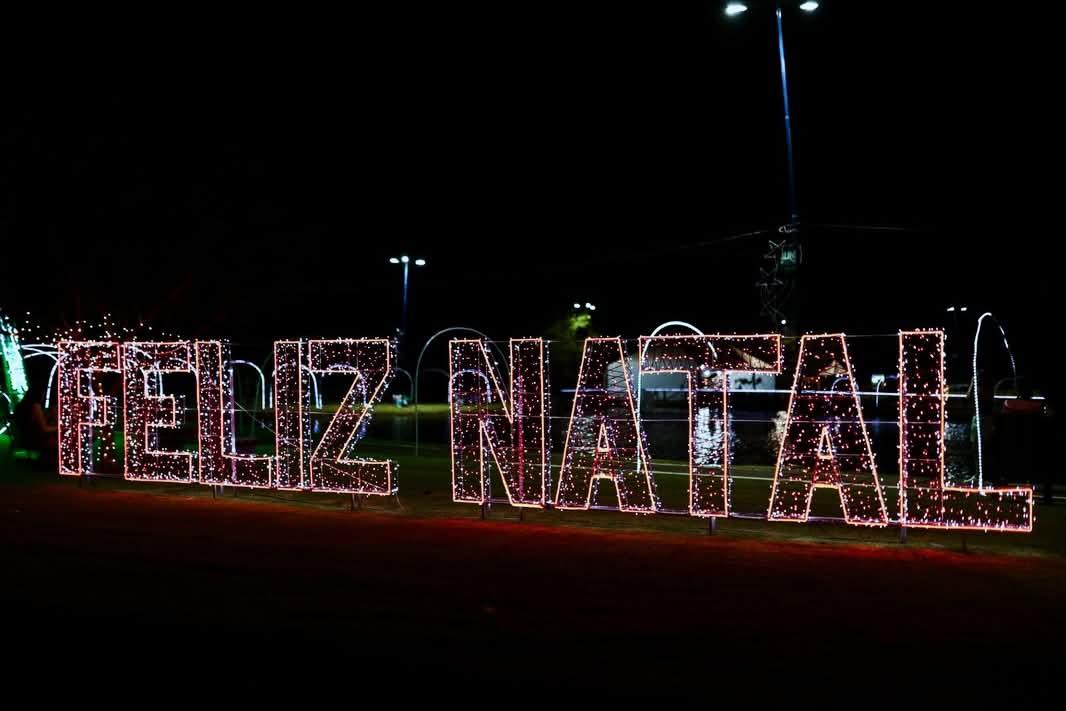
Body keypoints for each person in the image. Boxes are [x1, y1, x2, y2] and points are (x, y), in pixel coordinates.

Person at [13, 383, 57, 470]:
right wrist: (60, 428)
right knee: (63, 439)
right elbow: (44, 429)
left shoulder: (21, 405)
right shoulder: (35, 406)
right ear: (40, 393)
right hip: (34, 440)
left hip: (24, 438)